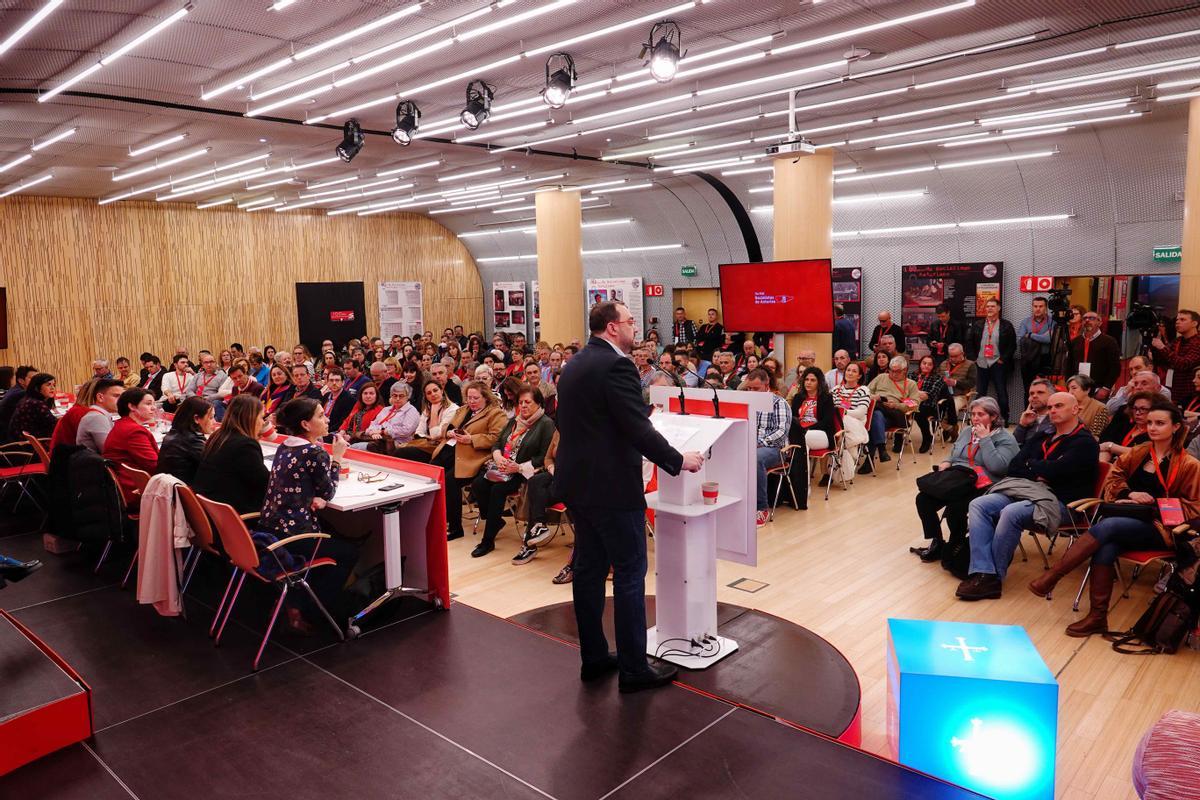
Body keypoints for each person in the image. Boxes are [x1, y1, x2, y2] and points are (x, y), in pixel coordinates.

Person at [555, 301, 704, 694]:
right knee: (629, 572)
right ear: (610, 327)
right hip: (610, 487)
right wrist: (678, 460)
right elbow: (635, 428)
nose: (634, 326)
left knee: (588, 571)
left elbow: (600, 420)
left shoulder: (574, 364)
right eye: (629, 320)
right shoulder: (617, 365)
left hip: (578, 483)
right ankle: (635, 668)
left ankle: (594, 658)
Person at [1029, 395, 1200, 637]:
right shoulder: (1139, 453)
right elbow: (1114, 477)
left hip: (1165, 529)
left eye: (1160, 423)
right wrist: (1129, 494)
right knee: (1106, 545)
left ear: (1176, 427)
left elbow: (1195, 507)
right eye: (1150, 422)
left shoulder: (1189, 465)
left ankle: (1053, 576)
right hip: (1131, 521)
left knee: (1108, 527)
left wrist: (1154, 504)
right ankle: (1098, 617)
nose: (1152, 427)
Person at [956, 392, 1098, 601]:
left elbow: (1060, 472)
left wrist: (1034, 466)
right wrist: (1041, 470)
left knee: (1011, 512)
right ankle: (984, 571)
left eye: (1058, 406)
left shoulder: (1085, 442)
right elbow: (1015, 466)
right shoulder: (1042, 436)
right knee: (979, 503)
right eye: (1050, 407)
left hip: (1063, 504)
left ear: (1075, 409)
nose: (1053, 411)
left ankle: (992, 578)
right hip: (1026, 492)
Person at [258, 398, 356, 633]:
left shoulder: (285, 446)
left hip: (270, 529)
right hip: (294, 535)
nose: (327, 419)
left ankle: (293, 601)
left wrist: (312, 495)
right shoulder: (314, 452)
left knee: (334, 533)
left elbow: (303, 483)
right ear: (305, 424)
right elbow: (329, 491)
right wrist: (338, 456)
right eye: (321, 416)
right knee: (349, 554)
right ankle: (306, 608)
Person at [912, 397, 1019, 565]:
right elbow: (955, 452)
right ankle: (937, 542)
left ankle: (956, 544)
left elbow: (998, 467)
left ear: (993, 416)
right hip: (958, 477)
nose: (975, 418)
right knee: (923, 499)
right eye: (972, 414)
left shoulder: (1005, 439)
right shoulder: (967, 431)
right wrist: (947, 461)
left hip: (985, 483)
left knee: (956, 507)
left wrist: (985, 439)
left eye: (980, 414)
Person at [468, 386, 556, 558]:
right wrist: (498, 456)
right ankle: (496, 521)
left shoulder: (545, 424)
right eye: (520, 402)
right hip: (502, 467)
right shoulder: (515, 421)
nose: (523, 406)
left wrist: (517, 467)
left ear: (538, 404)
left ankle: (488, 541)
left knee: (497, 491)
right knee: (478, 484)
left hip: (524, 471)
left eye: (527, 402)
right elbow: (498, 443)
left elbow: (543, 457)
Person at [433, 381, 507, 541]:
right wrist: (450, 432)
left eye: (475, 398)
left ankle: (455, 528)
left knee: (450, 482)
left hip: (474, 457)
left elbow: (497, 438)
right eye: (469, 397)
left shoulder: (495, 413)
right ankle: (439, 519)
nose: (471, 401)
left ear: (486, 398)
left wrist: (471, 439)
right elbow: (445, 426)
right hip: (452, 450)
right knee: (432, 474)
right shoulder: (463, 409)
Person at [193, 395, 270, 514]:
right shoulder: (245, 445)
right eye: (261, 417)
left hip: (210, 509)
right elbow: (265, 483)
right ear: (251, 418)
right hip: (235, 514)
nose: (263, 422)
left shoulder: (218, 436)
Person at [741, 368, 794, 525]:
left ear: (766, 385)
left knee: (756, 459)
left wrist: (759, 443)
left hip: (776, 449)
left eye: (755, 388)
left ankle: (761, 508)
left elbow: (781, 432)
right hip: (750, 445)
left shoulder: (779, 403)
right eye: (749, 388)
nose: (751, 391)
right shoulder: (746, 402)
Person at [103, 388, 160, 495]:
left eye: (154, 403)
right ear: (132, 406)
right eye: (148, 404)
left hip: (127, 485)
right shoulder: (134, 431)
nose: (154, 408)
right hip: (136, 490)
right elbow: (154, 466)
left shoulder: (122, 424)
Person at [967, 298, 1016, 424]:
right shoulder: (978, 324)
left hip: (997, 363)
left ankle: (1004, 419)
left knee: (1001, 392)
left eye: (992, 306)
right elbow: (969, 342)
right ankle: (976, 419)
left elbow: (1012, 345)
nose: (989, 308)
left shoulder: (1006, 325)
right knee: (980, 393)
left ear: (998, 308)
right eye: (987, 306)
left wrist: (1003, 359)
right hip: (981, 363)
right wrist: (974, 359)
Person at [868, 355, 920, 455]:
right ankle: (880, 450)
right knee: (877, 415)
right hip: (878, 411)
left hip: (895, 416)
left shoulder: (911, 384)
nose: (893, 374)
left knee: (874, 420)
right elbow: (865, 392)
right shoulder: (881, 377)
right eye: (891, 370)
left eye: (898, 371)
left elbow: (914, 405)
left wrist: (896, 405)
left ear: (905, 370)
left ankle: (871, 457)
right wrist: (875, 396)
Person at [157, 396, 216, 484]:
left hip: (169, 488)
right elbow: (216, 466)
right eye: (211, 418)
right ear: (196, 418)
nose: (214, 422)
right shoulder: (192, 441)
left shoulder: (173, 433)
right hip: (182, 493)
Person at [1151, 309, 1200, 405]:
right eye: (1177, 320)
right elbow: (1162, 360)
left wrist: (1162, 348)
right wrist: (1154, 347)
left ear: (1194, 323)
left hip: (1190, 392)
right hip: (1175, 391)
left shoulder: (1198, 342)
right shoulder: (1178, 341)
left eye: (1182, 320)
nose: (1177, 322)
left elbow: (1184, 364)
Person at [356, 382, 420, 453]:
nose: (397, 399)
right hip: (377, 440)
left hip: (398, 445)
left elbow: (406, 431)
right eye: (395, 395)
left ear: (408, 396)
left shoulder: (411, 411)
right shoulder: (386, 409)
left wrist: (382, 431)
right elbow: (373, 425)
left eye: (401, 396)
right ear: (391, 396)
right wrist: (373, 433)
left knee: (359, 447)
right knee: (355, 445)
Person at [1067, 310, 1120, 393]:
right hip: (1078, 387)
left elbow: (1115, 367)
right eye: (1085, 318)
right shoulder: (1075, 342)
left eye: (1092, 318)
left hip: (1099, 388)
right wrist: (1069, 384)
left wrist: (1106, 388)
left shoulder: (1109, 341)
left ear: (1099, 323)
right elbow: (1068, 365)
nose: (1087, 320)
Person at [1099, 391, 1155, 463]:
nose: (1137, 413)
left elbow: (1141, 453)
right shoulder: (1126, 425)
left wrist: (1110, 446)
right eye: (1135, 408)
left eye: (1143, 409)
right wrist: (1103, 463)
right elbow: (1105, 442)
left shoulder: (1155, 432)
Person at [1017, 296, 1055, 398]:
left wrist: (1030, 335)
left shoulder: (1052, 322)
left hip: (1045, 359)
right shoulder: (1025, 322)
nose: (1037, 309)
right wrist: (1041, 337)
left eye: (1041, 306)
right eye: (1035, 306)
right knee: (1028, 390)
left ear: (1046, 308)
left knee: (1045, 390)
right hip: (1028, 360)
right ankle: (1028, 412)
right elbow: (1021, 339)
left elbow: (1049, 339)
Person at [1105, 355, 1171, 412]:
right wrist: (1126, 393)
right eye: (1131, 369)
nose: (1134, 372)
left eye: (1138, 368)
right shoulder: (1125, 389)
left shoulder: (1161, 390)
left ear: (1150, 368)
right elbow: (1109, 410)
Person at [49, 379, 100, 453]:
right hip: (68, 459)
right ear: (100, 396)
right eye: (115, 395)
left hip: (61, 455)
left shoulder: (78, 408)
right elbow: (106, 447)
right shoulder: (88, 414)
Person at [913, 355, 950, 454]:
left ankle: (926, 438)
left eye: (929, 364)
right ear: (920, 364)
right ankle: (899, 441)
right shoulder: (913, 375)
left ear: (933, 366)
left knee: (918, 412)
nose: (926, 366)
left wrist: (914, 392)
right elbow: (905, 391)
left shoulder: (937, 378)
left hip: (931, 406)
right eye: (924, 363)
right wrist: (918, 393)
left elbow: (930, 395)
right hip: (912, 404)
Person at [9, 372, 57, 442]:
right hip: (27, 445)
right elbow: (55, 426)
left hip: (21, 441)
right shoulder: (36, 404)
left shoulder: (29, 399)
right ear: (37, 388)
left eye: (54, 385)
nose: (52, 388)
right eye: (48, 385)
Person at [0, 365, 37, 442]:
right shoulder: (20, 393)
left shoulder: (15, 390)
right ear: (21, 380)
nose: (38, 381)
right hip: (12, 440)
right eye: (33, 379)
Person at [1066, 373, 1110, 438]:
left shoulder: (1100, 408)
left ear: (1087, 390)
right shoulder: (1067, 405)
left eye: (1074, 388)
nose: (1070, 392)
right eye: (1069, 389)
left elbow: (1094, 436)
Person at [1013, 379, 1054, 445]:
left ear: (1051, 396)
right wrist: (1022, 425)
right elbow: (1014, 446)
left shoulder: (1057, 419)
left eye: (1040, 392)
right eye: (1031, 393)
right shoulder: (1027, 418)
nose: (1034, 396)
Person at [320, 368, 356, 433]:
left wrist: (325, 431)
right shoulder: (326, 396)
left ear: (343, 383)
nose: (334, 383)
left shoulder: (349, 399)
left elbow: (342, 422)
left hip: (335, 431)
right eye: (331, 380)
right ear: (327, 382)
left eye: (337, 380)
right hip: (321, 428)